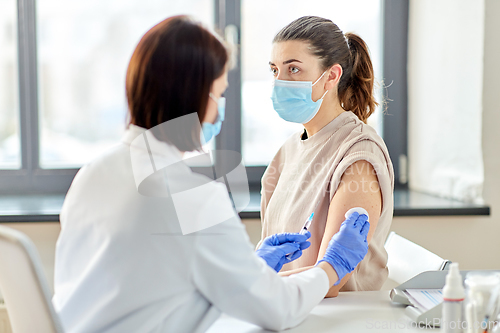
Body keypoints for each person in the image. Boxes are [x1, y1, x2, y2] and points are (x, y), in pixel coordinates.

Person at [52, 16, 370, 332]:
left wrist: (250, 268)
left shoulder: (92, 175)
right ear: (193, 98)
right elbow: (278, 309)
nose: (219, 111)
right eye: (218, 95)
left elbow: (150, 279)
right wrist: (331, 267)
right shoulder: (191, 199)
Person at [258, 16, 395, 297]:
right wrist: (254, 276)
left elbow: (333, 281)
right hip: (284, 306)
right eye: (275, 70)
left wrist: (249, 283)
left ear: (331, 76)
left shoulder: (358, 153)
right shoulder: (287, 151)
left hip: (335, 317)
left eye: (293, 69)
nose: (279, 82)